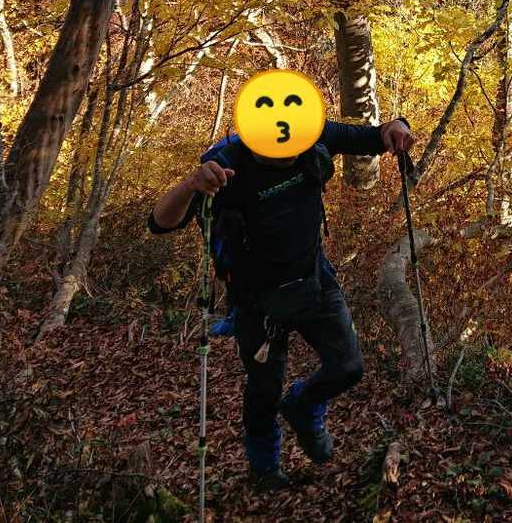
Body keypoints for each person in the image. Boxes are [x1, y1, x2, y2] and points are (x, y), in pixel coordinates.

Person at [149, 113, 416, 490]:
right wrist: (193, 184)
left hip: (314, 280)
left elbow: (374, 136)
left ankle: (303, 405)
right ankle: (265, 467)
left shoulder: (310, 131)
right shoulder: (227, 161)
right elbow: (159, 222)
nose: (290, 154)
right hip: (255, 301)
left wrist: (396, 126)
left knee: (348, 366)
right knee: (264, 389)